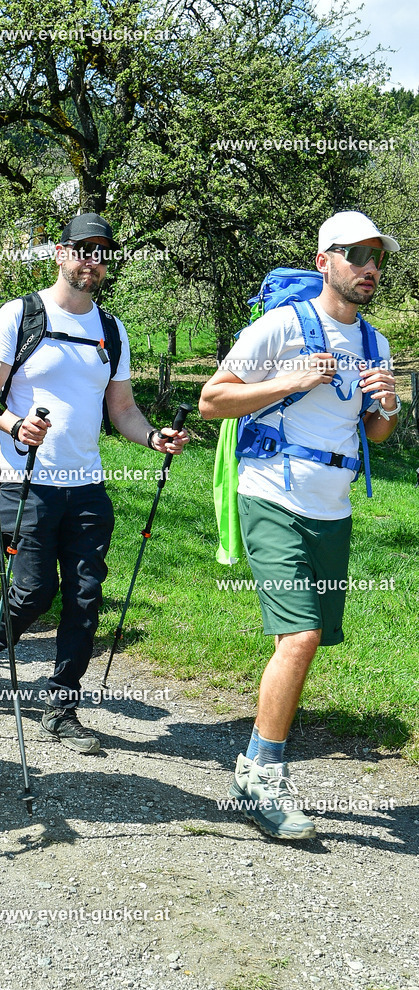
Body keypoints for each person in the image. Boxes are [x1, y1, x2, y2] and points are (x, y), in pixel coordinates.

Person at [199, 211, 400, 840]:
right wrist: (294, 377)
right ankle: (261, 774)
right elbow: (211, 399)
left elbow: (375, 434)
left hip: (333, 508)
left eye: (377, 258)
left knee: (307, 641)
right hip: (270, 494)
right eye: (357, 255)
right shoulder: (282, 326)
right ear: (324, 261)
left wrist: (390, 406)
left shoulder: (376, 344)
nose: (369, 268)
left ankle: (259, 763)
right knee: (301, 637)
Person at [0, 213, 189, 754]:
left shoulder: (111, 329)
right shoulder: (20, 314)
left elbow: (124, 409)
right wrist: (15, 425)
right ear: (60, 253)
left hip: (86, 484)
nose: (93, 261)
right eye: (83, 250)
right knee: (34, 592)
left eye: (102, 253)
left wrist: (153, 438)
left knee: (85, 598)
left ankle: (62, 704)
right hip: (25, 478)